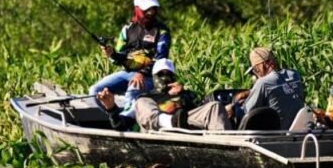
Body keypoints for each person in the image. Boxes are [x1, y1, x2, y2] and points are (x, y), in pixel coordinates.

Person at [90, 0, 171, 117]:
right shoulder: (127, 29)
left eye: (153, 8)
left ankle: (128, 125)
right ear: (137, 9)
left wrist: (142, 74)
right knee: (95, 90)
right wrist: (112, 54)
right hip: (128, 73)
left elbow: (160, 60)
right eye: (146, 9)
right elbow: (120, 58)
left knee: (132, 91)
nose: (150, 12)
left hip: (152, 76)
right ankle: (117, 118)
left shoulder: (162, 31)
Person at [98, 59, 233, 132]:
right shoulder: (147, 97)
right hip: (158, 133)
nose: (165, 78)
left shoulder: (185, 94)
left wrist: (185, 95)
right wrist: (111, 107)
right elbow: (120, 125)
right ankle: (171, 123)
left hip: (187, 126)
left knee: (215, 106)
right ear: (154, 77)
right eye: (161, 74)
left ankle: (228, 150)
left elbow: (202, 110)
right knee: (141, 101)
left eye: (169, 74)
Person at [228, 47, 305, 131]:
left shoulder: (263, 82)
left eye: (255, 70)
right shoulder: (295, 75)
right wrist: (251, 92)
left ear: (264, 64)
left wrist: (233, 107)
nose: (255, 74)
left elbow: (245, 112)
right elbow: (280, 90)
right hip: (297, 131)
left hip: (276, 134)